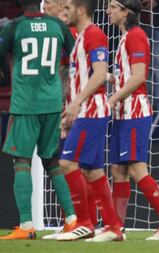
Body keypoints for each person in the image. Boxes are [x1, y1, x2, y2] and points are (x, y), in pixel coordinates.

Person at [0, 0, 77, 240]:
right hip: (53, 102)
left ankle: (26, 224)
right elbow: (74, 53)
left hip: (26, 103)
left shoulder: (15, 26)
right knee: (51, 160)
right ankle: (72, 220)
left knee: (21, 161)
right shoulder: (57, 26)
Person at [107, 0, 159, 241]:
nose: (108, 11)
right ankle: (116, 228)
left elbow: (139, 76)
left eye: (112, 7)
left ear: (125, 12)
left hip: (134, 112)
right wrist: (103, 76)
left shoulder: (136, 35)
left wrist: (111, 99)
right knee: (118, 170)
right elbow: (126, 75)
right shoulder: (126, 37)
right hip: (123, 112)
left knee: (138, 169)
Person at [55, 0, 124, 242]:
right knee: (92, 171)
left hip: (91, 111)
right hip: (82, 110)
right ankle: (113, 227)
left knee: (67, 163)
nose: (64, 12)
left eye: (67, 8)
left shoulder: (94, 34)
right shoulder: (82, 37)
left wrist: (76, 103)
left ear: (81, 9)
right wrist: (70, 107)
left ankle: (84, 222)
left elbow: (100, 72)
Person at [41, 0, 98, 240]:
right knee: (64, 162)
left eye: (54, 4)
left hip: (75, 107)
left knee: (75, 165)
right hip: (63, 104)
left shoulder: (74, 32)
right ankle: (74, 220)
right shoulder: (60, 30)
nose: (47, 8)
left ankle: (86, 221)